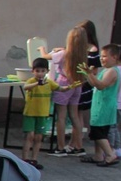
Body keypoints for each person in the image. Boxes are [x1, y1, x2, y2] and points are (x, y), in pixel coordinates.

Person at [21, 57, 80, 170]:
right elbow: (26, 87)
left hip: (43, 114)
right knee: (30, 136)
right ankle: (24, 159)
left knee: (39, 137)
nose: (40, 73)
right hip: (30, 113)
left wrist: (71, 86)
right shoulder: (31, 81)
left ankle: (34, 159)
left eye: (43, 71)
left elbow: (60, 89)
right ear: (33, 71)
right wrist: (37, 84)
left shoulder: (49, 83)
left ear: (47, 72)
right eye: (37, 71)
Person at [39, 26, 88, 156]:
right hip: (77, 84)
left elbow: (45, 56)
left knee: (61, 116)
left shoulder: (63, 54)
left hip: (64, 84)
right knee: (74, 116)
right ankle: (78, 146)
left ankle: (60, 147)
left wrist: (41, 48)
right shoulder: (83, 55)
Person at [77, 44, 121, 166]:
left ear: (114, 57)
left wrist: (91, 75)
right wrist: (88, 74)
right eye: (101, 56)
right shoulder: (106, 70)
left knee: (98, 133)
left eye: (104, 56)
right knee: (97, 131)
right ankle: (98, 156)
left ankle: (110, 155)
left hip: (105, 106)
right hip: (99, 105)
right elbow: (93, 84)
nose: (101, 59)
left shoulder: (112, 71)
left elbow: (101, 85)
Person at [75, 20, 101, 147]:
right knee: (75, 114)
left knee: (77, 114)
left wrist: (86, 74)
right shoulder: (81, 46)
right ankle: (75, 141)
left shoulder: (93, 49)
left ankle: (77, 142)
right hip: (78, 81)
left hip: (85, 84)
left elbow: (95, 69)